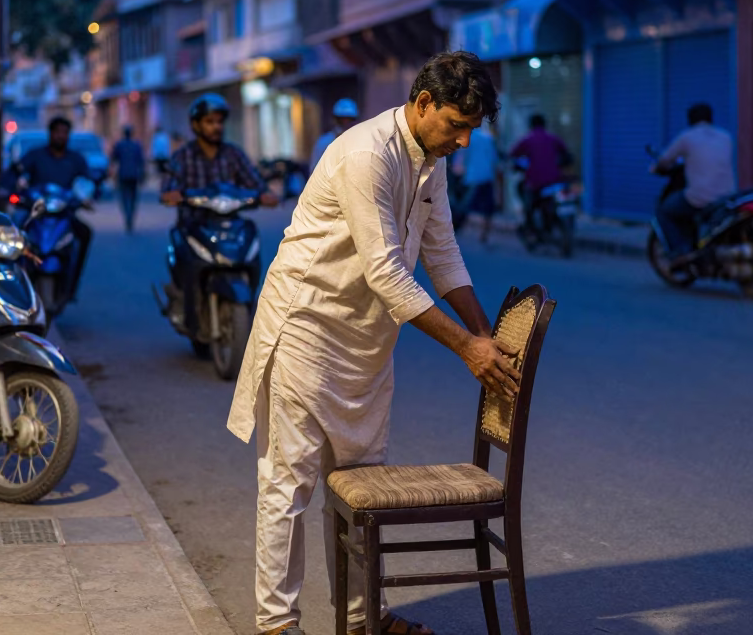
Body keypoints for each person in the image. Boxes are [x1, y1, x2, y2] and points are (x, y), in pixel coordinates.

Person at [228, 51, 521, 635]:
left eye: (470, 129)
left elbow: (442, 254)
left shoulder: (428, 157)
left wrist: (484, 333)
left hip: (365, 343)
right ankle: (276, 624)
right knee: (288, 485)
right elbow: (387, 274)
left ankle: (364, 618)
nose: (462, 142)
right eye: (456, 125)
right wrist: (466, 347)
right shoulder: (367, 153)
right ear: (422, 104)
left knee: (363, 487)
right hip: (307, 331)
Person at [161, 93, 279, 331]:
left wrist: (265, 194)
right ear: (196, 125)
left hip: (229, 225)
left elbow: (256, 183)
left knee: (252, 246)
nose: (216, 127)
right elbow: (167, 188)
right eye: (209, 122)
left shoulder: (233, 155)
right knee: (187, 259)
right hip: (193, 224)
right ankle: (187, 309)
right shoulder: (182, 156)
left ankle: (252, 309)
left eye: (219, 122)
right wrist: (172, 195)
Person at [11, 116, 94, 301]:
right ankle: (14, 284)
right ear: (50, 133)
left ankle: (72, 284)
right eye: (57, 132)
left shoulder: (76, 159)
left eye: (64, 133)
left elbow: (87, 182)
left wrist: (86, 197)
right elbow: (16, 174)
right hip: (36, 214)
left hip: (63, 215)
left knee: (85, 234)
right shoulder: (35, 156)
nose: (60, 136)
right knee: (12, 234)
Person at [651, 103, 736, 261]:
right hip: (727, 197)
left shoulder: (687, 137)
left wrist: (656, 168)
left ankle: (680, 251)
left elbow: (665, 159)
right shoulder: (726, 137)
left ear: (690, 120)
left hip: (700, 198)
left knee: (663, 211)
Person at [510, 113, 572, 239]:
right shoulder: (553, 138)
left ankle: (530, 226)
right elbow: (566, 153)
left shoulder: (527, 139)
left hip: (535, 181)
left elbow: (513, 154)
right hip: (555, 180)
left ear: (531, 125)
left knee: (529, 205)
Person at [451, 123, 499, 243]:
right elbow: (494, 160)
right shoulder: (489, 138)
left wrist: (458, 174)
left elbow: (460, 161)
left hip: (472, 178)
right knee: (487, 208)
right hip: (487, 177)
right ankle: (484, 234)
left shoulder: (466, 139)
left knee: (466, 206)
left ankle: (460, 233)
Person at [111, 125, 147, 233]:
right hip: (133, 175)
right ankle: (130, 216)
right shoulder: (136, 145)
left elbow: (113, 158)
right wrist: (142, 174)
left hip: (123, 175)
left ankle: (128, 216)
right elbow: (141, 161)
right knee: (133, 198)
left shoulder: (119, 145)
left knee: (124, 197)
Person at [309, 98, 359, 173]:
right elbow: (314, 169)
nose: (345, 124)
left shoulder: (359, 141)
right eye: (342, 120)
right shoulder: (324, 142)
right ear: (335, 120)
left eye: (349, 120)